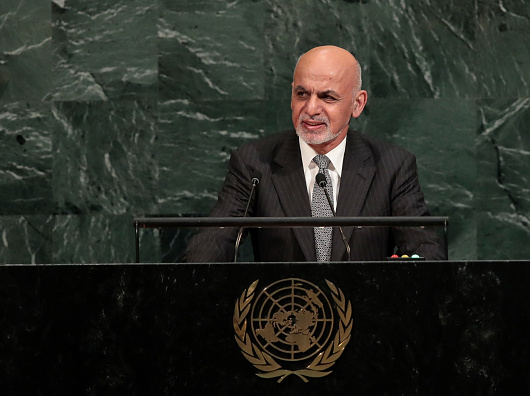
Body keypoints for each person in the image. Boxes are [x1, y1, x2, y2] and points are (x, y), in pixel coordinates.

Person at [185, 45, 444, 262]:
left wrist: (404, 272)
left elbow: (427, 253)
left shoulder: (393, 165)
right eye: (302, 94)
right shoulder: (254, 163)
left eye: (327, 98)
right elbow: (211, 246)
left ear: (357, 103)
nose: (310, 108)